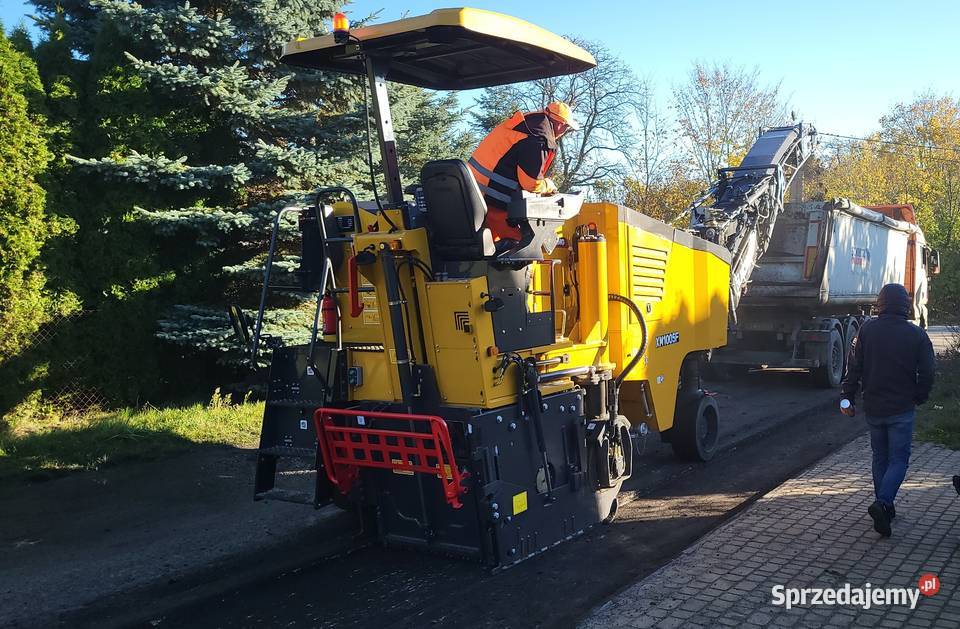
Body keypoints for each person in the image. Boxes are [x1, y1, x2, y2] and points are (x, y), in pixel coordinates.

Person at [840, 283, 936, 537]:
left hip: (873, 407)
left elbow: (854, 367)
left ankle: (886, 506)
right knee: (899, 460)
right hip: (902, 407)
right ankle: (883, 503)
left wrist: (846, 398)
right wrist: (920, 396)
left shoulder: (867, 330)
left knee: (880, 457)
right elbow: (928, 371)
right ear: (905, 304)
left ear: (880, 304)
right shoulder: (916, 334)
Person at [467, 101, 578, 242]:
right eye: (567, 128)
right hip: (490, 204)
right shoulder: (538, 137)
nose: (564, 133)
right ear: (560, 125)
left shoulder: (523, 124)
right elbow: (531, 184)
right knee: (519, 245)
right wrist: (549, 186)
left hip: (470, 195)